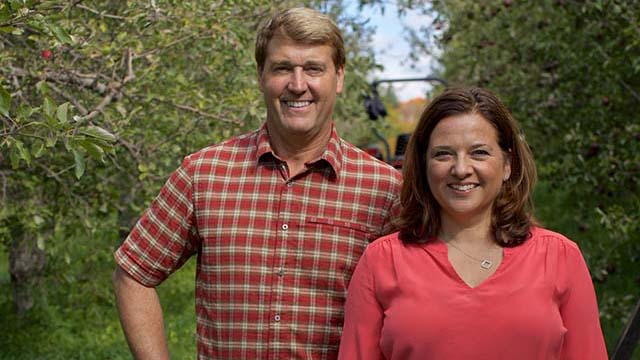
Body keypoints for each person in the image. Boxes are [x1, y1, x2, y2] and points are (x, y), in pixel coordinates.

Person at [112, 7, 402, 360]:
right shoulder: (204, 174)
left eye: (313, 68)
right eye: (282, 68)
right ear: (261, 76)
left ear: (338, 77)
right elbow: (133, 273)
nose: (298, 85)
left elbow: (422, 306)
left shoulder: (385, 190)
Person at [338, 87, 608, 360]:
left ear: (507, 165)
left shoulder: (560, 257)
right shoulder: (382, 261)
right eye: (443, 154)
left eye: (479, 153)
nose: (461, 169)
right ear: (423, 166)